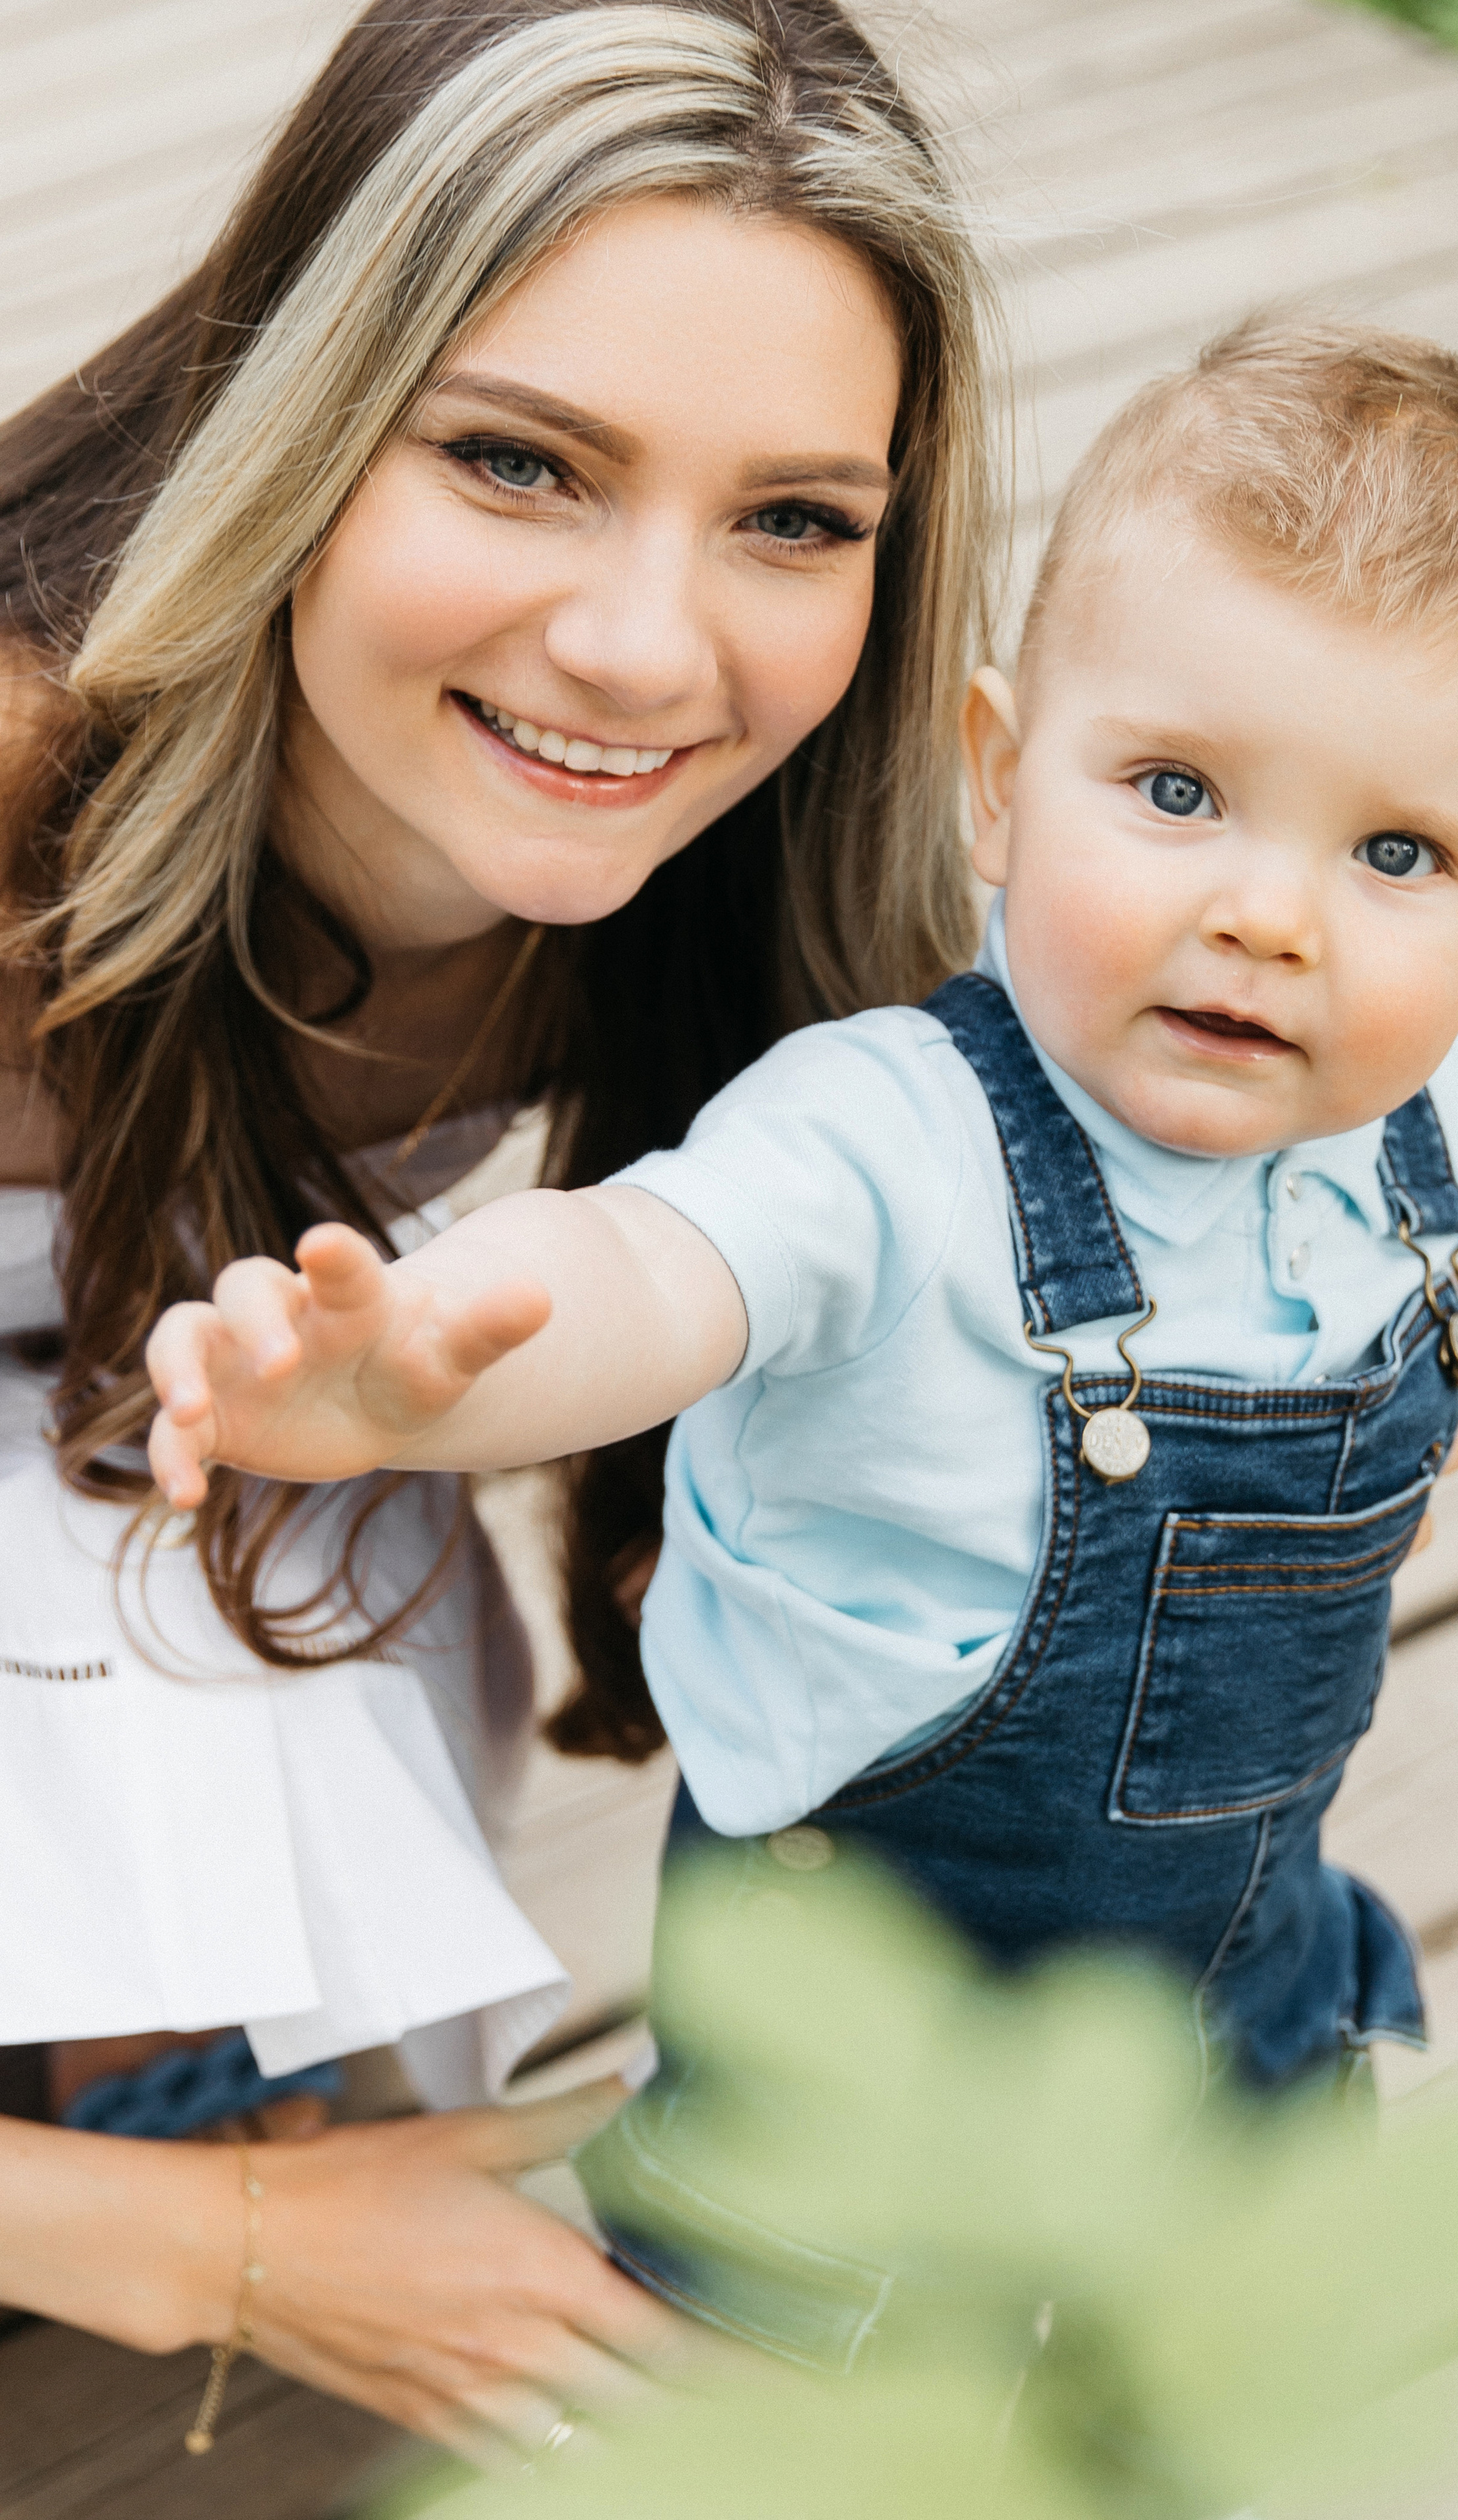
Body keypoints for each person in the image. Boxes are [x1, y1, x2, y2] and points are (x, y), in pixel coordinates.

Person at [146, 316, 1458, 2360]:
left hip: (1227, 1985)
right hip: (865, 2024)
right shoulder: (895, 1133)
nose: (1273, 914)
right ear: (997, 781)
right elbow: (651, 1274)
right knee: (811, 2404)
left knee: (1196, 2371)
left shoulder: (1412, 1112)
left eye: (1398, 855)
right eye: (1177, 791)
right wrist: (419, 1378)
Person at [0, 0, 998, 2450]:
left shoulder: (782, 849)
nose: (652, 651)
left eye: (795, 518)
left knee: (334, 1558)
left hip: (156, 1429)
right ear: (307, 415)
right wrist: (210, 2249)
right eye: (520, 462)